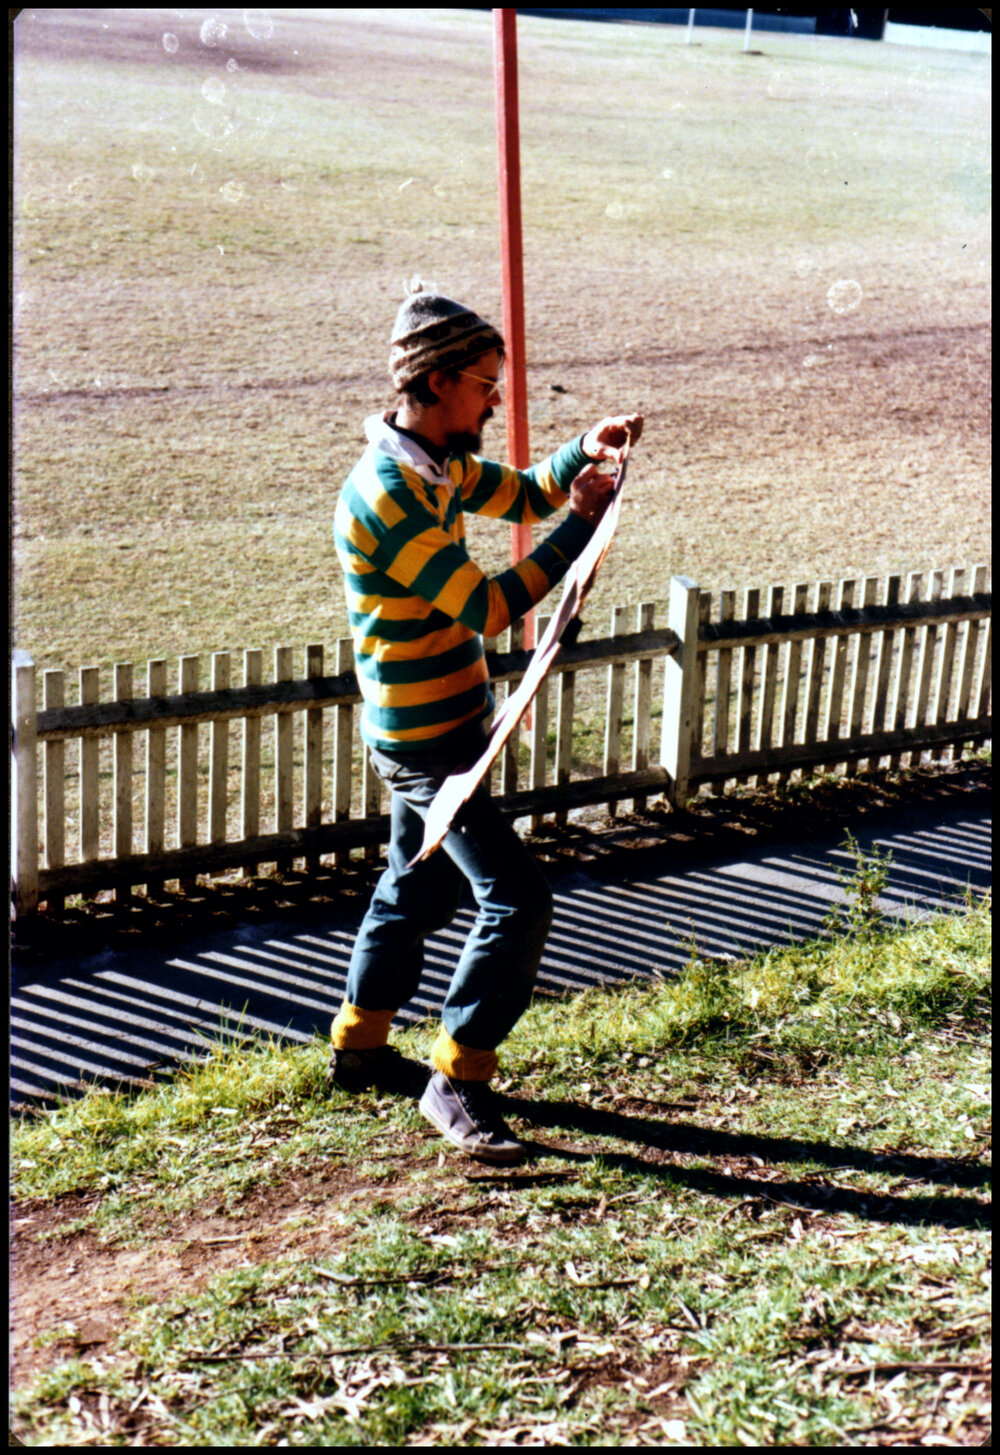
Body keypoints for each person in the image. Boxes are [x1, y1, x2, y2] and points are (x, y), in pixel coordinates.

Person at [329, 285, 642, 1162]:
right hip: (426, 746)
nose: (495, 398)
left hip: (449, 726)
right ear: (430, 380)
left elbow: (527, 492)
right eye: (482, 382)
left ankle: (358, 1049)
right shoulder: (387, 494)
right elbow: (491, 606)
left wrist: (586, 449)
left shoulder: (438, 462)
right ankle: (457, 1081)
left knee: (414, 885)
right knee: (516, 896)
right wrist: (578, 531)